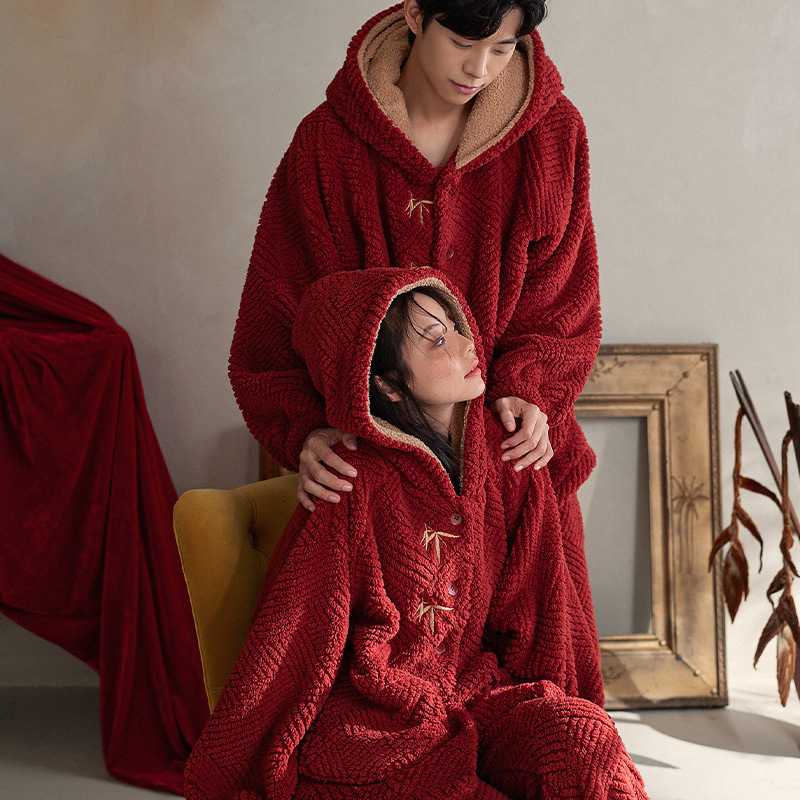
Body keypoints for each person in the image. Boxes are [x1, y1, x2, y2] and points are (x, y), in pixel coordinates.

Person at [229, 0, 601, 696]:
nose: (480, 68)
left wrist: (529, 390)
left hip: (510, 466)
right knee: (363, 695)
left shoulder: (553, 135)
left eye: (503, 48)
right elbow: (277, 313)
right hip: (376, 478)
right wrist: (304, 429)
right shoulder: (326, 145)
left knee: (542, 692)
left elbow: (565, 295)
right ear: (414, 13)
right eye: (462, 41)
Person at [185, 268, 646, 800]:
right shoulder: (351, 479)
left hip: (483, 693)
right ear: (386, 382)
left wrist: (557, 708)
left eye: (457, 327)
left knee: (585, 745)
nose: (468, 346)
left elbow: (541, 611)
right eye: (436, 340)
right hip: (382, 713)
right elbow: (297, 633)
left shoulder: (509, 453)